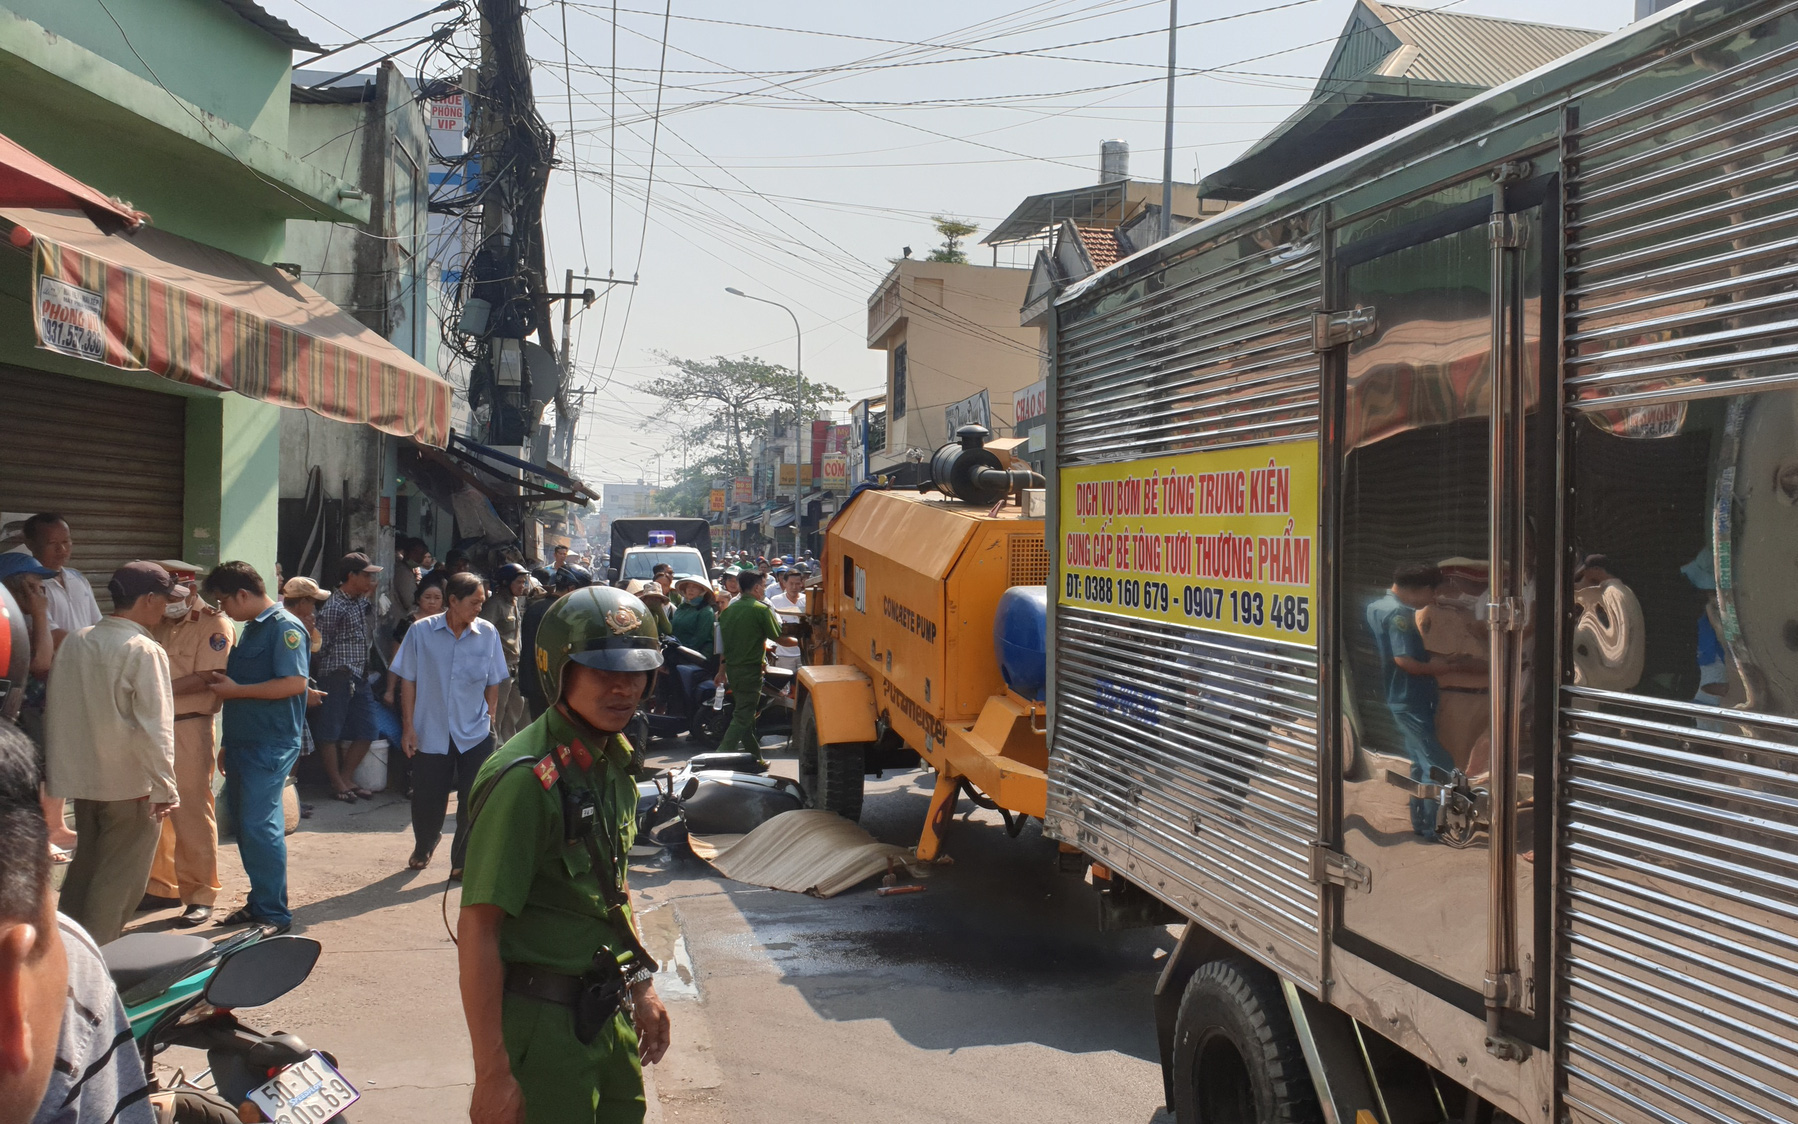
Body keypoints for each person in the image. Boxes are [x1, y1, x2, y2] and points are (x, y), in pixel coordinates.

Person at [457, 586, 671, 1124]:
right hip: (543, 1027)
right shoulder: (526, 779)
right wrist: (492, 1073)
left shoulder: (611, 760)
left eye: (636, 672)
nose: (624, 689)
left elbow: (613, 887)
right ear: (559, 671)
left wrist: (642, 985)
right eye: (603, 673)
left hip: (606, 1012)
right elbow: (478, 929)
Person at [44, 563, 185, 944]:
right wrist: (165, 787)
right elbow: (156, 728)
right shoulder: (143, 649)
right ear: (149, 599)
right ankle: (96, 969)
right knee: (118, 884)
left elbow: (59, 711)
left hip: (85, 783)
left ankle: (62, 956)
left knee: (84, 875)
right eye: (164, 601)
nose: (166, 610)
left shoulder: (76, 640)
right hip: (131, 786)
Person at [203, 562, 310, 934]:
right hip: (246, 740)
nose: (223, 610)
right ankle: (260, 902)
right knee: (248, 825)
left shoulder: (285, 628)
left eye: (224, 601)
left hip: (271, 742)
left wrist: (236, 692)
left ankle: (274, 914)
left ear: (243, 595)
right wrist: (229, 743)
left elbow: (294, 683)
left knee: (259, 826)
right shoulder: (253, 630)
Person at [392, 573, 510, 874]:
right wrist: (408, 726)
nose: (479, 609)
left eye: (482, 603)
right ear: (453, 601)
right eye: (474, 602)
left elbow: (494, 680)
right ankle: (425, 843)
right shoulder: (421, 632)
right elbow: (408, 680)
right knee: (427, 797)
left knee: (474, 797)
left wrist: (491, 715)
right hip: (430, 729)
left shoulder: (488, 633)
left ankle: (463, 859)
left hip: (476, 730)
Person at [142, 561, 235, 928]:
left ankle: (200, 894)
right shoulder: (156, 622)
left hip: (189, 726)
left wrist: (154, 688)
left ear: (191, 590)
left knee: (192, 811)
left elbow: (210, 676)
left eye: (173, 596)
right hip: (153, 726)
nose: (168, 604)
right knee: (155, 809)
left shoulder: (214, 624)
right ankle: (161, 886)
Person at [1365, 564, 1459, 838]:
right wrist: (1443, 667)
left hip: (1397, 696)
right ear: (1418, 589)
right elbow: (1404, 660)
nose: (1433, 600)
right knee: (1438, 764)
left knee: (1419, 763)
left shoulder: (1376, 606)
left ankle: (1421, 823)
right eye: (1432, 593)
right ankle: (1433, 828)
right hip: (1411, 696)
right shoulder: (1399, 614)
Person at [0, 555, 67, 855]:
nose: (42, 594)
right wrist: (40, 615)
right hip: (14, 719)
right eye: (33, 587)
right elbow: (41, 663)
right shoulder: (11, 625)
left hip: (29, 714)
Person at [311, 553, 382, 804]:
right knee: (329, 731)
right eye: (366, 575)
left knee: (368, 729)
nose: (370, 580)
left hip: (359, 676)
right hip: (337, 675)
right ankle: (337, 782)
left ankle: (346, 776)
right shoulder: (334, 606)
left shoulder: (358, 602)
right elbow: (320, 645)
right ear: (350, 576)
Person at [713, 570, 784, 762]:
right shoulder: (760, 609)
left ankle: (755, 758)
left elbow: (723, 647)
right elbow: (776, 634)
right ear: (756, 587)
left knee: (746, 714)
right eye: (762, 586)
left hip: (733, 670)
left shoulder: (727, 613)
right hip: (751, 669)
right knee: (744, 715)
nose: (764, 590)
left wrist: (722, 671)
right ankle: (720, 755)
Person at [483, 564, 532, 744]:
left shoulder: (513, 602)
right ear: (506, 582)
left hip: (514, 667)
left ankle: (508, 752)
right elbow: (483, 635)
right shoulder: (494, 604)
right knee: (496, 715)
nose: (522, 586)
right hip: (499, 669)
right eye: (518, 582)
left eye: (523, 582)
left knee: (514, 714)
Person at [766, 567, 808, 672]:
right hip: (782, 655)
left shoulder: (807, 601)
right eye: (791, 583)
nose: (794, 587)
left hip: (803, 654)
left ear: (802, 583)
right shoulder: (775, 601)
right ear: (784, 583)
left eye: (797, 584)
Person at [670, 577, 716, 662]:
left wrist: (682, 651)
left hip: (696, 655)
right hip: (677, 651)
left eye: (695, 587)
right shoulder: (682, 607)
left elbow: (699, 638)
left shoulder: (706, 611)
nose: (690, 590)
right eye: (688, 587)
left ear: (702, 591)